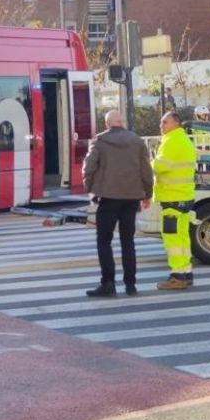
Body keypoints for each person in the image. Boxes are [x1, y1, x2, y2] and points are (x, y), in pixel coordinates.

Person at [82, 110, 153, 298]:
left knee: (104, 241)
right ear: (122, 122)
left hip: (108, 198)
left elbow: (88, 167)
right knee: (127, 241)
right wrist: (147, 193)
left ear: (107, 124)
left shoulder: (100, 141)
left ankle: (108, 284)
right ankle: (131, 285)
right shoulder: (137, 141)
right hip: (131, 198)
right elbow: (147, 170)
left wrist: (90, 187)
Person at [152, 111, 197, 290]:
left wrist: (149, 162)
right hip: (184, 196)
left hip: (172, 198)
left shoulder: (171, 141)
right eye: (161, 122)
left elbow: (160, 167)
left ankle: (177, 276)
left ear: (176, 124)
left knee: (172, 240)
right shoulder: (184, 140)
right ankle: (186, 273)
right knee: (183, 238)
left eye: (165, 122)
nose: (161, 126)